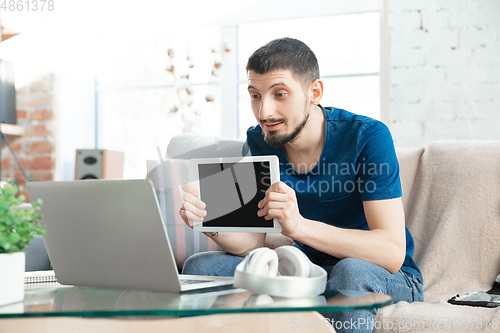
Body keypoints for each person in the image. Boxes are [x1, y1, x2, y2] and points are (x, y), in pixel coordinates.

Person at [179, 37, 423, 332]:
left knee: (349, 272)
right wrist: (212, 224)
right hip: (300, 266)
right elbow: (257, 242)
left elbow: (392, 252)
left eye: (280, 94)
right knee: (201, 266)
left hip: (381, 273)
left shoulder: (367, 137)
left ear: (314, 92)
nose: (264, 112)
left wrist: (299, 227)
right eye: (255, 95)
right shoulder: (259, 139)